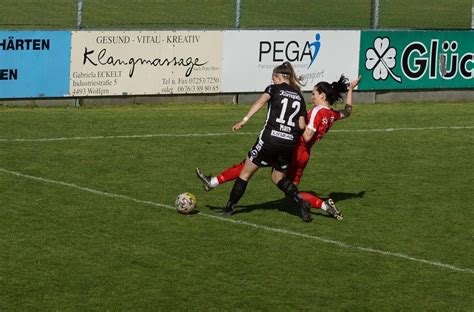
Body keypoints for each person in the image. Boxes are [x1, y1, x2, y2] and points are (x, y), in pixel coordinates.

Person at [197, 75, 362, 221]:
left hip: (294, 149)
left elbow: (307, 135)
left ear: (322, 95)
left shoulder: (318, 111)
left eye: (313, 93)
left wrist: (298, 121)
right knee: (290, 192)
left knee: (250, 164)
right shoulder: (330, 114)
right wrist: (350, 90)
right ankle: (325, 206)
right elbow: (347, 112)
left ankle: (214, 183)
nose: (311, 97)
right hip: (304, 155)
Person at [213, 61, 313, 222]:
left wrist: (244, 120)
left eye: (273, 78)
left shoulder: (273, 89)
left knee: (245, 173)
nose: (272, 81)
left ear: (279, 77)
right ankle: (300, 201)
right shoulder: (299, 96)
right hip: (288, 143)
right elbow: (301, 125)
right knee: (278, 178)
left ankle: (229, 208)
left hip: (270, 139)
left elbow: (260, 102)